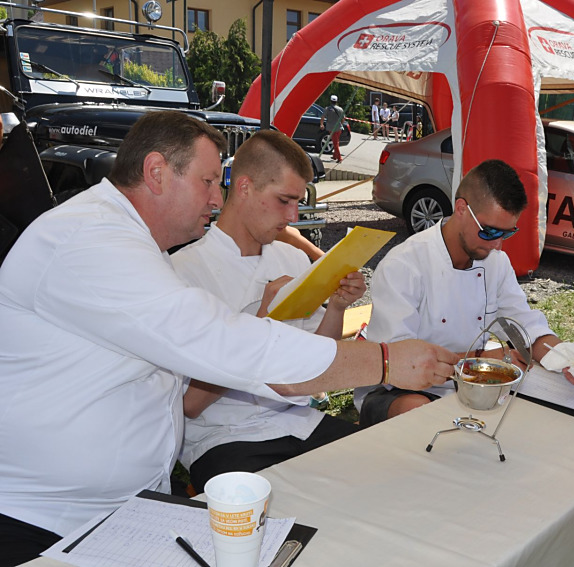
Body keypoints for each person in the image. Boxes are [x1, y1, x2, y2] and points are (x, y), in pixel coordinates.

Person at [0, 111, 455, 565]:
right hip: (45, 519)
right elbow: (226, 344)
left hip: (122, 507)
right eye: (207, 182)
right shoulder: (92, 242)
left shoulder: (131, 242)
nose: (217, 199)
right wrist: (385, 361)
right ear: (156, 172)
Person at [171, 130, 363, 492]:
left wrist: (337, 306)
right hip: (223, 437)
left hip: (297, 420)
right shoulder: (184, 272)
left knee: (380, 471)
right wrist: (261, 322)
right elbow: (190, 405)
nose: (293, 215)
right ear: (244, 187)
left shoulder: (291, 258)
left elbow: (319, 367)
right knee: (277, 508)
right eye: (284, 200)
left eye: (298, 202)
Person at [355, 159, 574, 426]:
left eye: (507, 233)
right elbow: (400, 364)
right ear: (461, 209)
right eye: (489, 231)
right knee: (419, 411)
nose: (497, 244)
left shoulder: (496, 263)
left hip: (469, 383)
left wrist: (563, 355)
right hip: (400, 389)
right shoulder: (405, 264)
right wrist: (479, 360)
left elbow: (523, 325)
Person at [319, 94, 345, 163]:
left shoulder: (327, 109)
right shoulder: (340, 109)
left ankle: (339, 158)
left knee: (335, 143)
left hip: (331, 128)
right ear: (336, 101)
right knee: (336, 141)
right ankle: (335, 156)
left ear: (330, 101)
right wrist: (341, 125)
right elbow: (343, 119)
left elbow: (322, 117)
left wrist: (321, 124)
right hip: (339, 128)